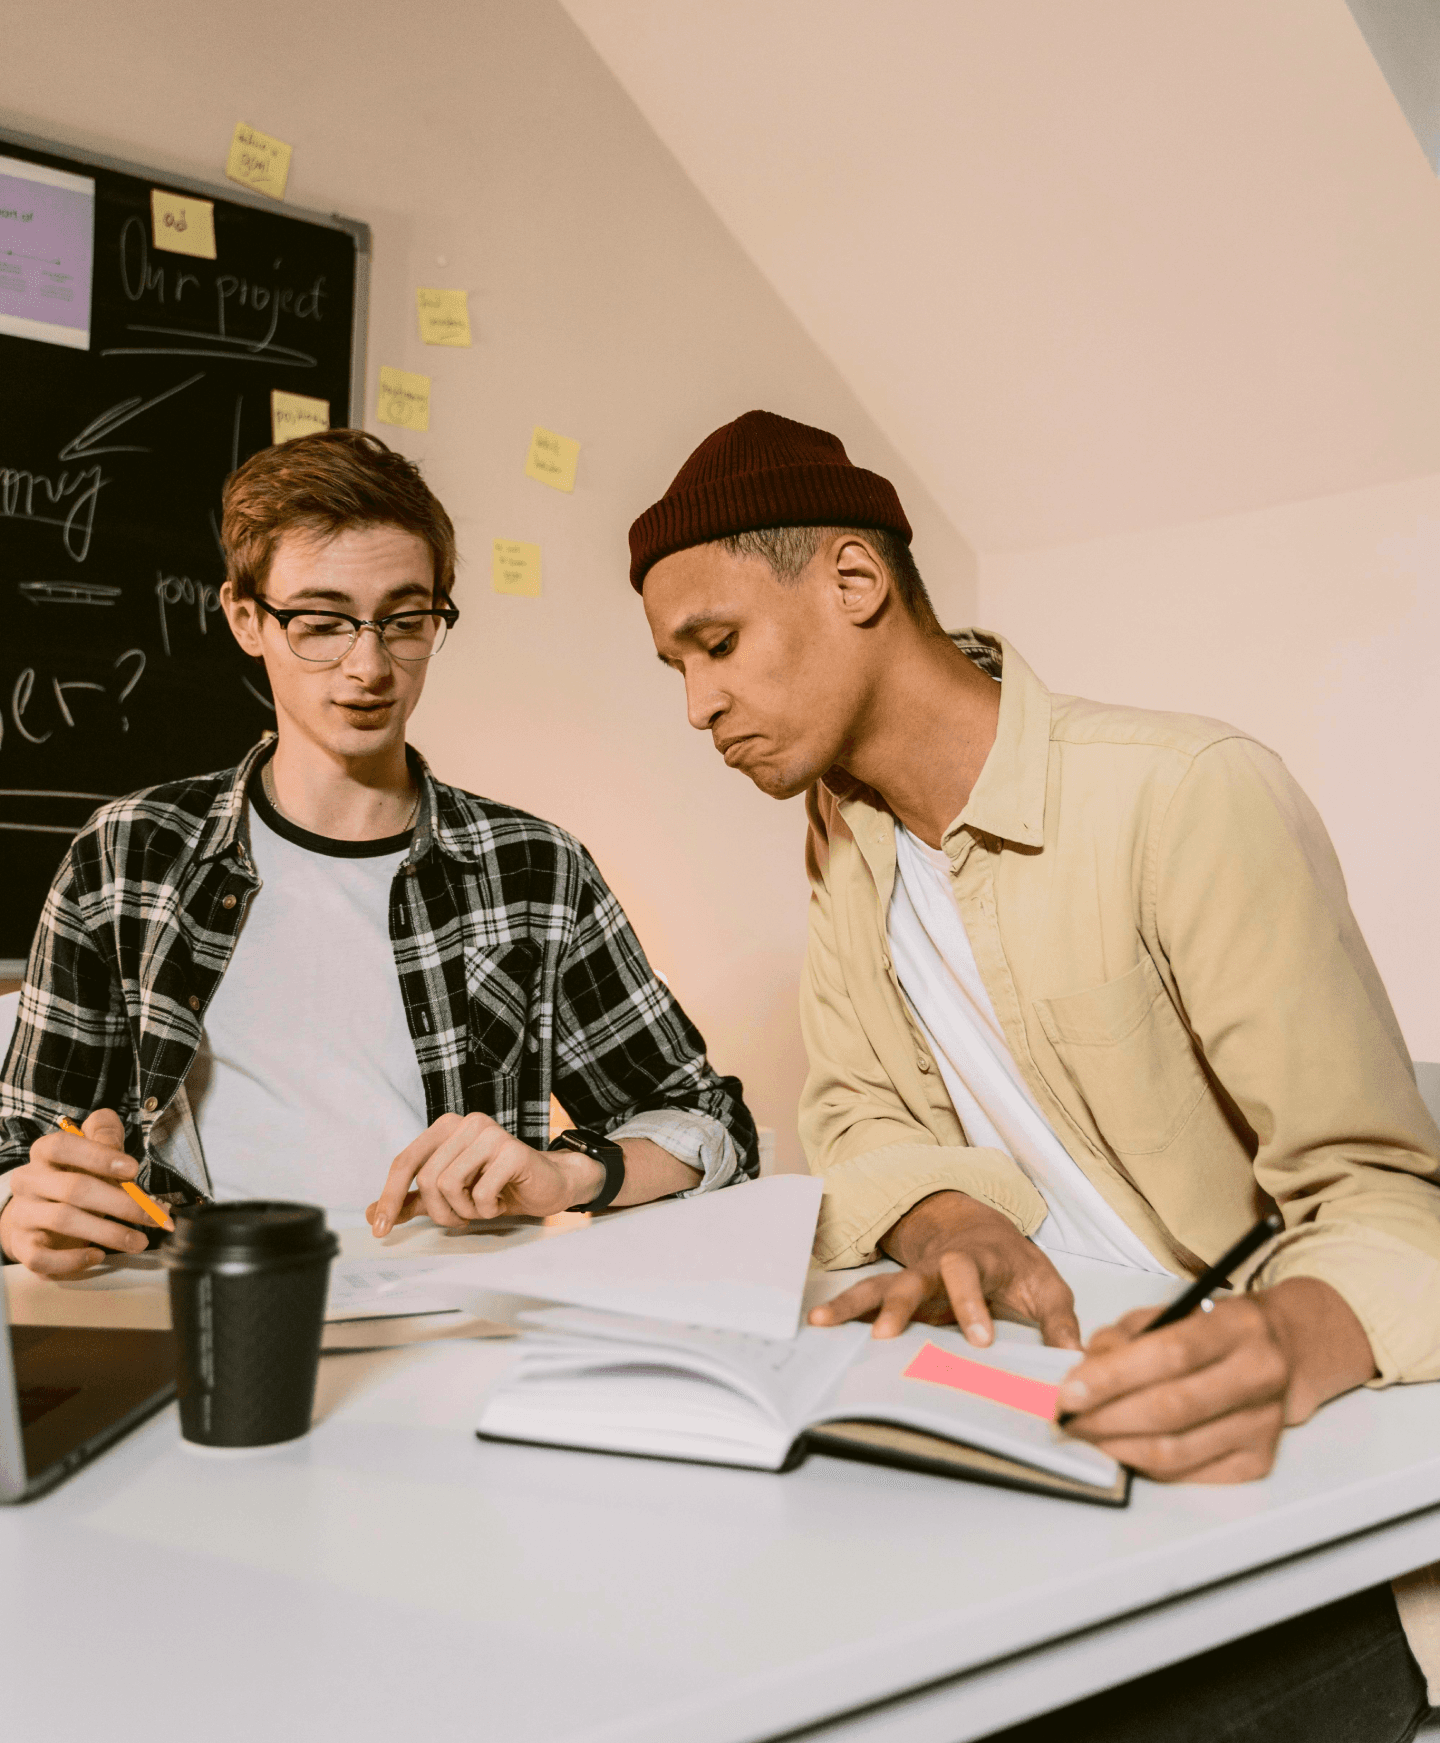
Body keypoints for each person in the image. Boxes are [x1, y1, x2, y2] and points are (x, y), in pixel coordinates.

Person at [631, 408, 1439, 1741]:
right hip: (1029, 1444)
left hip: (1301, 1506)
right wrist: (951, 1218)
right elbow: (855, 1108)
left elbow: (1387, 1198)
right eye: (674, 666)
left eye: (714, 645)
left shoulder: (1185, 793)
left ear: (853, 581)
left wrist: (1284, 1347)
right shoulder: (846, 835)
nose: (697, 703)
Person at [0, 429, 756, 1275]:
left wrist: (563, 1173)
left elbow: (707, 1124)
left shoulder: (533, 870)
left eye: (404, 621)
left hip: (447, 1322)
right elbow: (19, 1145)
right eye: (321, 624)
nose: (368, 665)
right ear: (246, 618)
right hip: (198, 1306)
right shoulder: (128, 855)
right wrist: (25, 1207)